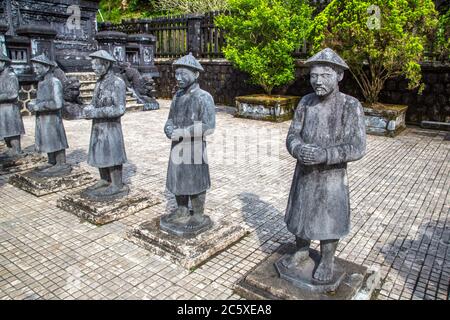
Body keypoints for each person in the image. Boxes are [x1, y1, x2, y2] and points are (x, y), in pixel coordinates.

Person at [283, 48, 366, 282]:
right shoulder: (305, 102)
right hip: (305, 170)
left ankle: (328, 259)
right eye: (313, 75)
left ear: (339, 76)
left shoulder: (350, 106)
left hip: (332, 175)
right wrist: (299, 149)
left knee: (329, 217)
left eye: (325, 75)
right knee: (301, 211)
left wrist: (326, 155)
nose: (317, 81)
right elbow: (292, 136)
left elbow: (357, 147)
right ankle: (301, 249)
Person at [163, 53, 216, 230]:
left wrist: (184, 132)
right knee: (178, 178)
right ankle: (181, 209)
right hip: (177, 145)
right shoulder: (177, 96)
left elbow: (209, 126)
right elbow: (170, 118)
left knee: (195, 180)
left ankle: (199, 214)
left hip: (194, 147)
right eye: (176, 74)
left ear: (196, 74)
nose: (178, 78)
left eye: (183, 74)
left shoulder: (204, 97)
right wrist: (168, 127)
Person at [82, 50, 128, 198]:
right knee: (100, 152)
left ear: (106, 64)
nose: (93, 68)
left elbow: (119, 108)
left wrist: (96, 112)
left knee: (112, 154)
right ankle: (104, 179)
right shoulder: (99, 82)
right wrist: (89, 109)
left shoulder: (117, 83)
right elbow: (94, 103)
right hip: (98, 126)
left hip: (111, 127)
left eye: (96, 64)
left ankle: (117, 184)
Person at [27, 54, 70, 175]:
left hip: (52, 118)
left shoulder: (54, 82)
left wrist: (38, 106)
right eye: (34, 67)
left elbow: (57, 103)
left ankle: (61, 163)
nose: (35, 70)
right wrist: (34, 102)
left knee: (56, 138)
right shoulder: (41, 83)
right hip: (43, 117)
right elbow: (42, 99)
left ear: (46, 67)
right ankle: (52, 161)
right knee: (47, 138)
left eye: (37, 67)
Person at [0, 53, 24, 157]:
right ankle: (10, 148)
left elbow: (13, 94)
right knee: (4, 129)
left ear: (2, 63)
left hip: (10, 108)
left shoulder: (11, 76)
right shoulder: (1, 76)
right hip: (2, 107)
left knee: (12, 129)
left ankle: (16, 149)